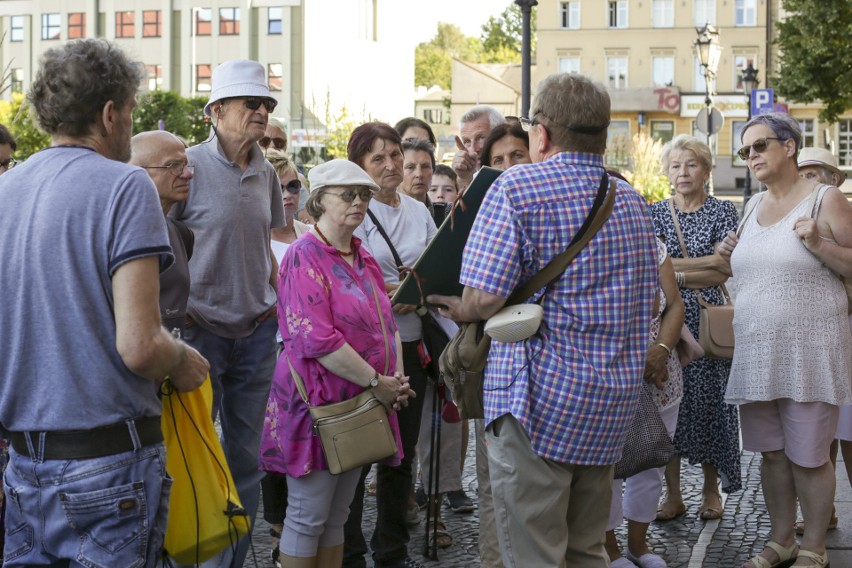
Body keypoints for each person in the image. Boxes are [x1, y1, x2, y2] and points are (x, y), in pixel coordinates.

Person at [429, 72, 658, 567]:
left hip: (538, 401)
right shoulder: (633, 202)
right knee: (585, 550)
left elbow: (485, 297)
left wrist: (459, 307)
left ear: (542, 133)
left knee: (531, 553)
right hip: (608, 404)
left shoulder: (516, 187)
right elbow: (649, 305)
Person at [0, 38, 208, 567]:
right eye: (133, 110)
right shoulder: (126, 185)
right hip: (108, 462)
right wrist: (182, 360)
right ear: (110, 113)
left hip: (24, 462)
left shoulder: (7, 190)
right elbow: (140, 346)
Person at [259, 159, 412, 568]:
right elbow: (317, 339)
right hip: (319, 402)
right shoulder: (302, 255)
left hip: (360, 400)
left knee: (338, 516)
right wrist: (378, 382)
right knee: (308, 515)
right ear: (319, 200)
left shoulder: (362, 256)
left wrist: (393, 378)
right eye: (348, 194)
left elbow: (387, 323)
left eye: (364, 194)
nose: (359, 202)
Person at [719, 113, 852, 568]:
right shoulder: (752, 206)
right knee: (772, 455)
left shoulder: (825, 198)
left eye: (759, 146)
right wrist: (726, 253)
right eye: (745, 151)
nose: (751, 156)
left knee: (811, 457)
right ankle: (781, 540)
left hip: (809, 351)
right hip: (757, 350)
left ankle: (814, 545)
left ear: (790, 146)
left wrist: (820, 244)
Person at [169, 59, 285, 567]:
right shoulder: (185, 166)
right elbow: (158, 244)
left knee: (247, 462)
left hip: (258, 333)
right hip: (199, 333)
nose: (261, 112)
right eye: (250, 103)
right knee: (189, 458)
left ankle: (232, 563)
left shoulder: (268, 172)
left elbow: (277, 243)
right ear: (216, 111)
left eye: (266, 104)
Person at [342, 122, 433, 568]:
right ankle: (351, 552)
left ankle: (392, 551)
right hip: (364, 355)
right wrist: (389, 293)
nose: (392, 164)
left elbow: (436, 266)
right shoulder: (352, 213)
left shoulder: (419, 211)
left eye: (395, 153)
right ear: (358, 165)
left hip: (412, 346)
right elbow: (343, 280)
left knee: (401, 455)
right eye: (378, 158)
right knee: (358, 457)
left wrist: (421, 289)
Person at [649, 134, 742, 523]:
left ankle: (710, 491)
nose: (683, 172)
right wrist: (699, 268)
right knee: (668, 406)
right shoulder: (654, 212)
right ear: (667, 173)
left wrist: (675, 272)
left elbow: (727, 267)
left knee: (709, 407)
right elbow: (652, 265)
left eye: (691, 164)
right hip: (665, 320)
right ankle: (672, 495)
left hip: (707, 320)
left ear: (706, 169)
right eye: (675, 165)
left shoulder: (723, 212)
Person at [606, 240, 685, 568]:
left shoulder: (652, 245)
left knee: (650, 461)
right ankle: (608, 548)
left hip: (661, 377)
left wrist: (662, 349)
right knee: (606, 468)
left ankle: (639, 544)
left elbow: (675, 304)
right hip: (608, 375)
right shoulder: (584, 243)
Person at [793, 147, 849, 536]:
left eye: (816, 173)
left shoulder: (837, 211)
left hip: (844, 334)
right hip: (816, 342)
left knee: (848, 429)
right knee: (821, 431)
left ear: (833, 179)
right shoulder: (790, 215)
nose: (809, 181)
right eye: (804, 173)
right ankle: (824, 510)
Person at [130, 130, 196, 335]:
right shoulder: (116, 235)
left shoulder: (181, 234)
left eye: (185, 164)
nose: (188, 173)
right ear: (137, 171)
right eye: (174, 165)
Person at [451, 105, 506, 190]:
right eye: (467, 141)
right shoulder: (467, 176)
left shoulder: (515, 171)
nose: (473, 150)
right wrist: (464, 178)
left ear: (500, 136)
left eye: (480, 138)